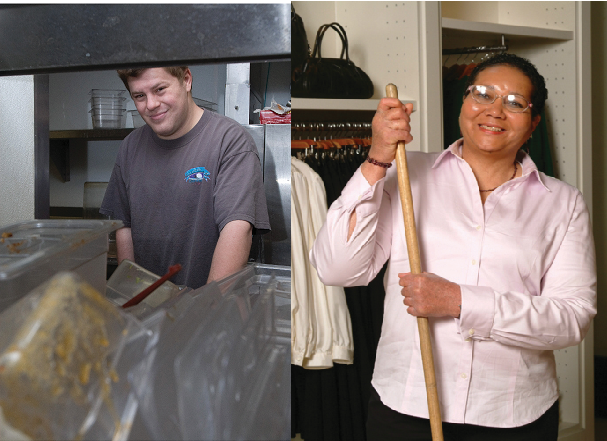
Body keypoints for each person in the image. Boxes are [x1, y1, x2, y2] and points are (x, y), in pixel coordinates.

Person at [310, 53, 596, 440]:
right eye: (483, 94)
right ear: (463, 102)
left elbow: (571, 319)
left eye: (514, 103)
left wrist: (460, 302)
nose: (495, 110)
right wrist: (377, 157)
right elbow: (336, 269)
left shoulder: (563, 202)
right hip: (406, 409)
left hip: (513, 416)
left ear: (533, 124)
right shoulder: (405, 174)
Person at [100, 66, 270, 289]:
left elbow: (237, 230)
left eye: (160, 89)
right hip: (149, 312)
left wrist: (206, 308)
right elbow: (124, 228)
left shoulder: (229, 141)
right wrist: (133, 298)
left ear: (186, 80)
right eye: (139, 96)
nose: (150, 104)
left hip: (208, 309)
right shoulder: (130, 147)